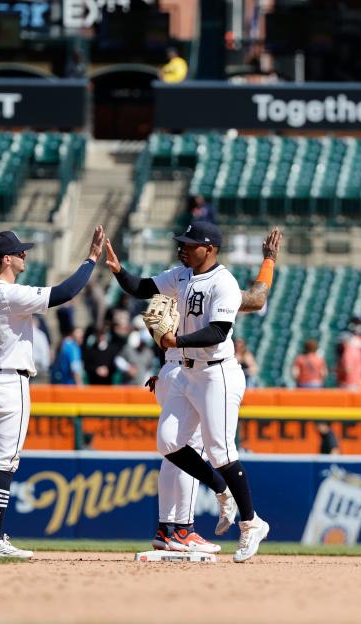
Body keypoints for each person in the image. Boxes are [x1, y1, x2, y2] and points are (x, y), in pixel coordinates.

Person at [107, 226, 280, 562]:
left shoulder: (224, 283)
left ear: (210, 248)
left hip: (218, 373)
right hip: (186, 371)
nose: (182, 249)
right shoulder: (181, 275)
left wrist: (176, 341)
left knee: (221, 449)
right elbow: (143, 288)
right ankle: (220, 489)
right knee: (168, 441)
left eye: (188, 244)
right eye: (180, 244)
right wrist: (118, 270)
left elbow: (218, 332)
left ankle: (251, 523)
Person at [0, 226, 105, 559]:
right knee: (4, 464)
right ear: (5, 260)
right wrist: (90, 260)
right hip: (9, 382)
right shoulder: (9, 294)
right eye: (19, 252)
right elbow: (64, 293)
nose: (24, 254)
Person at [31, 316, 52, 382]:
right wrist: (45, 366)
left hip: (27, 366)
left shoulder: (21, 334)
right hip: (38, 367)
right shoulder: (41, 335)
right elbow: (44, 351)